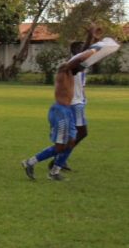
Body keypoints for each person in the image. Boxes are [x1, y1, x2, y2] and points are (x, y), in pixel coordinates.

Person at [21, 37, 101, 181]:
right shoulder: (64, 68)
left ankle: (55, 171)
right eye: (80, 65)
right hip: (60, 112)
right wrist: (96, 48)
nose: (83, 67)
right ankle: (30, 162)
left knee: (71, 142)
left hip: (67, 111)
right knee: (60, 146)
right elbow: (79, 58)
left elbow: (81, 61)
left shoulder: (73, 73)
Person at [47, 26, 100, 172]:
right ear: (74, 52)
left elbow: (92, 52)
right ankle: (59, 159)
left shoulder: (81, 64)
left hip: (78, 102)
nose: (82, 51)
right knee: (81, 133)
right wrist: (90, 37)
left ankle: (59, 159)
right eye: (80, 49)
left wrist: (95, 39)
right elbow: (86, 50)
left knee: (74, 135)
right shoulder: (73, 64)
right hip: (74, 104)